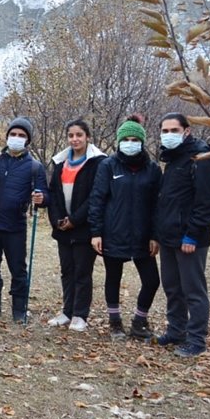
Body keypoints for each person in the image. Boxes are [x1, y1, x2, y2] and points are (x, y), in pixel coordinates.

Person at [153, 113, 210, 358]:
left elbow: (206, 203)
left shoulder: (200, 158)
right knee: (172, 287)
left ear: (187, 131)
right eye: (164, 130)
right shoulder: (173, 159)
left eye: (174, 130)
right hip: (169, 237)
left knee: (193, 290)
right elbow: (168, 202)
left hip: (190, 240)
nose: (168, 135)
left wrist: (192, 235)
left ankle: (196, 339)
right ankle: (176, 330)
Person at [89, 115, 162, 341]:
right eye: (126, 139)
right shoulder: (108, 166)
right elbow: (97, 200)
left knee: (152, 280)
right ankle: (115, 322)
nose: (130, 143)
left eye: (135, 139)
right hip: (113, 234)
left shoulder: (153, 169)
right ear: (119, 141)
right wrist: (96, 232)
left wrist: (154, 235)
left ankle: (140, 321)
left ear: (142, 141)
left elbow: (157, 205)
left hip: (142, 236)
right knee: (113, 278)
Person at [0, 117, 48, 323]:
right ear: (7, 137)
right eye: (13, 134)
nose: (16, 138)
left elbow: (45, 197)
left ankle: (19, 309)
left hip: (15, 226)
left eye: (21, 135)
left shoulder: (35, 167)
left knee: (18, 268)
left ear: (28, 140)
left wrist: (41, 199)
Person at [46, 119, 107, 332]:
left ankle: (80, 314)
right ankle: (67, 311)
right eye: (71, 135)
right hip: (63, 227)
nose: (75, 139)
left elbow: (96, 196)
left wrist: (75, 220)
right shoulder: (60, 162)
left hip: (84, 227)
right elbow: (53, 193)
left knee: (82, 271)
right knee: (67, 270)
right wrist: (57, 219)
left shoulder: (98, 162)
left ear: (87, 137)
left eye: (79, 135)